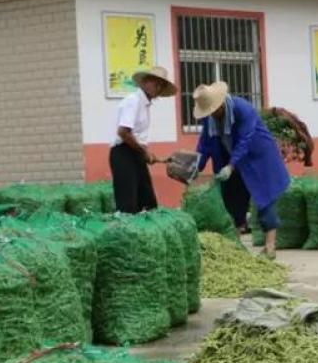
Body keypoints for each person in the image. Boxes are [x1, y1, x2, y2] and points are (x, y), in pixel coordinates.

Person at [193, 81, 290, 259]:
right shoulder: (210, 118)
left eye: (213, 111)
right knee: (232, 197)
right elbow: (205, 144)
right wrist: (195, 167)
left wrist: (231, 165)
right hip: (229, 157)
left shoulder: (243, 109)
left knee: (264, 198)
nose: (211, 116)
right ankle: (235, 245)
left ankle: (270, 246)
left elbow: (245, 140)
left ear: (221, 104)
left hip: (257, 157)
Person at [110, 66, 177, 214]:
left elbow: (138, 137)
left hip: (135, 153)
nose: (158, 88)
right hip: (123, 153)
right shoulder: (133, 101)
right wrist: (143, 152)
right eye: (155, 83)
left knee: (148, 201)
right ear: (145, 82)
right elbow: (123, 133)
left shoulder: (145, 105)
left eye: (161, 85)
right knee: (128, 204)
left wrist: (149, 155)